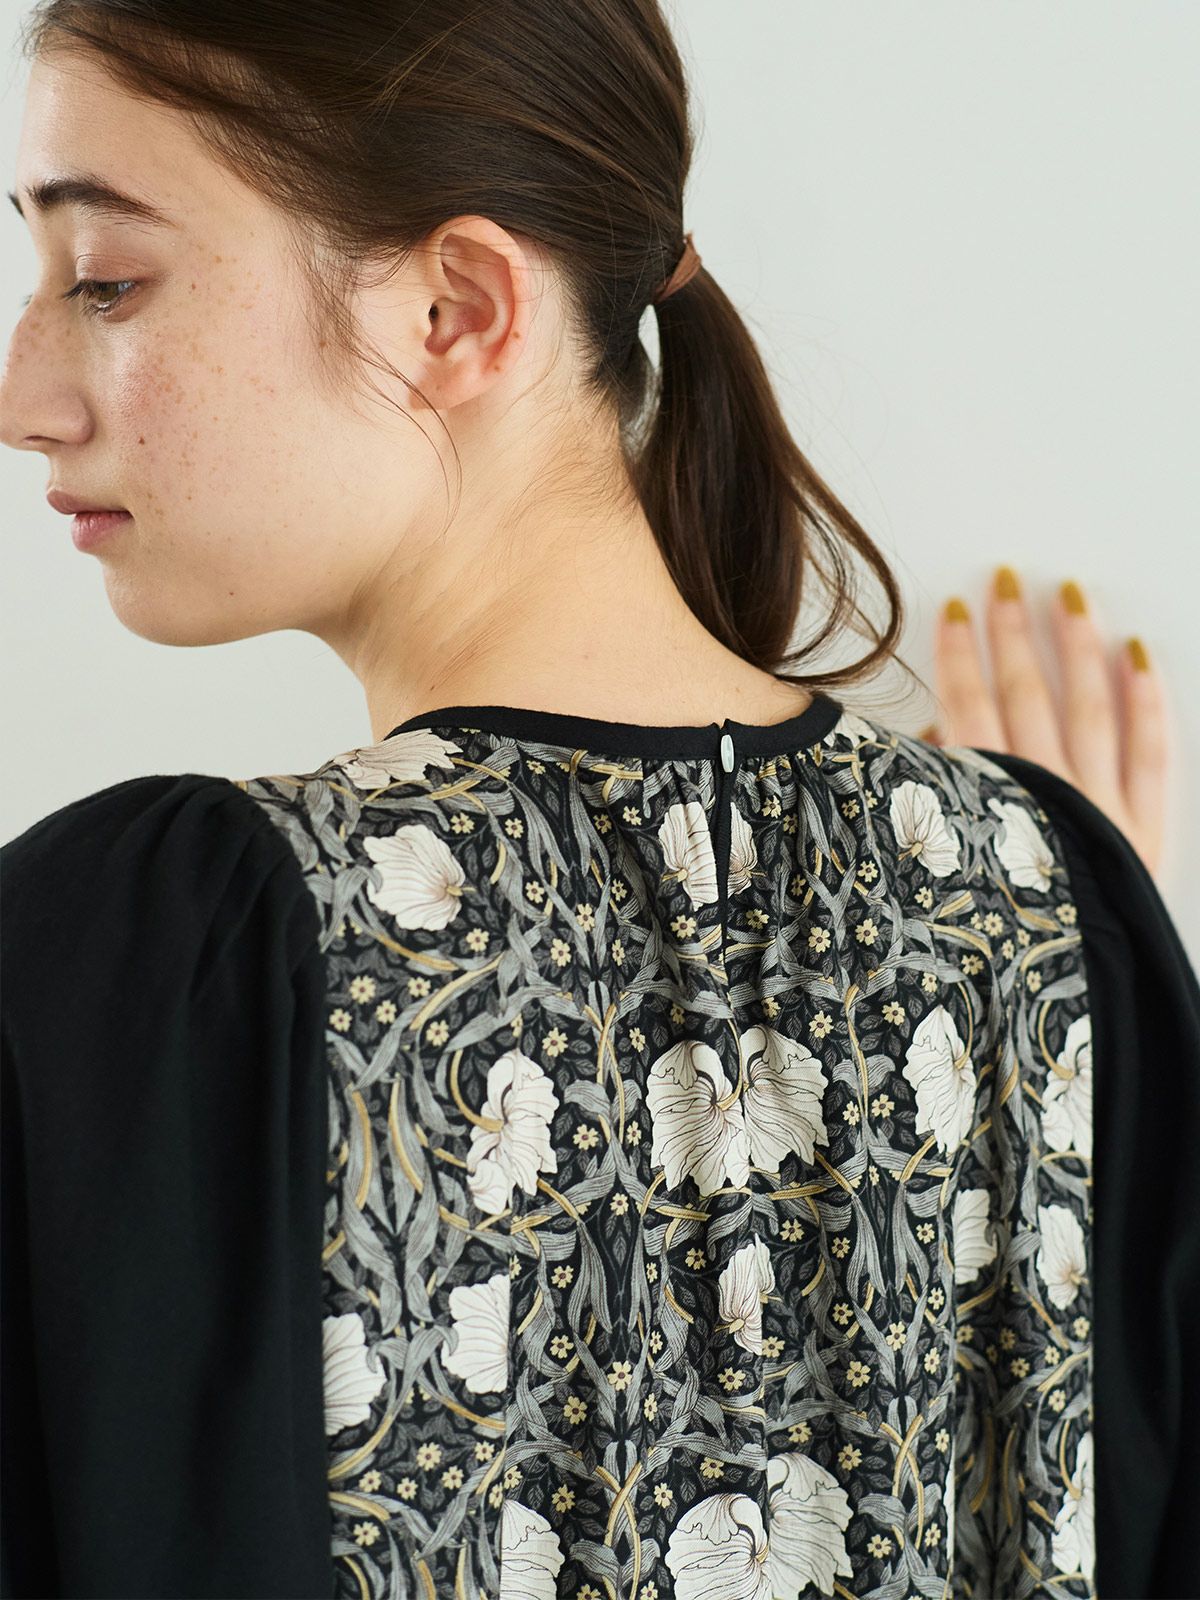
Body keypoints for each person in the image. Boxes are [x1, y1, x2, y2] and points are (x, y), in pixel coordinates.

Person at [0, 5, 1195, 1598]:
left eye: (104, 281)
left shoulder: (158, 960)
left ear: (456, 308)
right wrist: (1060, 935)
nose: (24, 394)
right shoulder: (1051, 905)